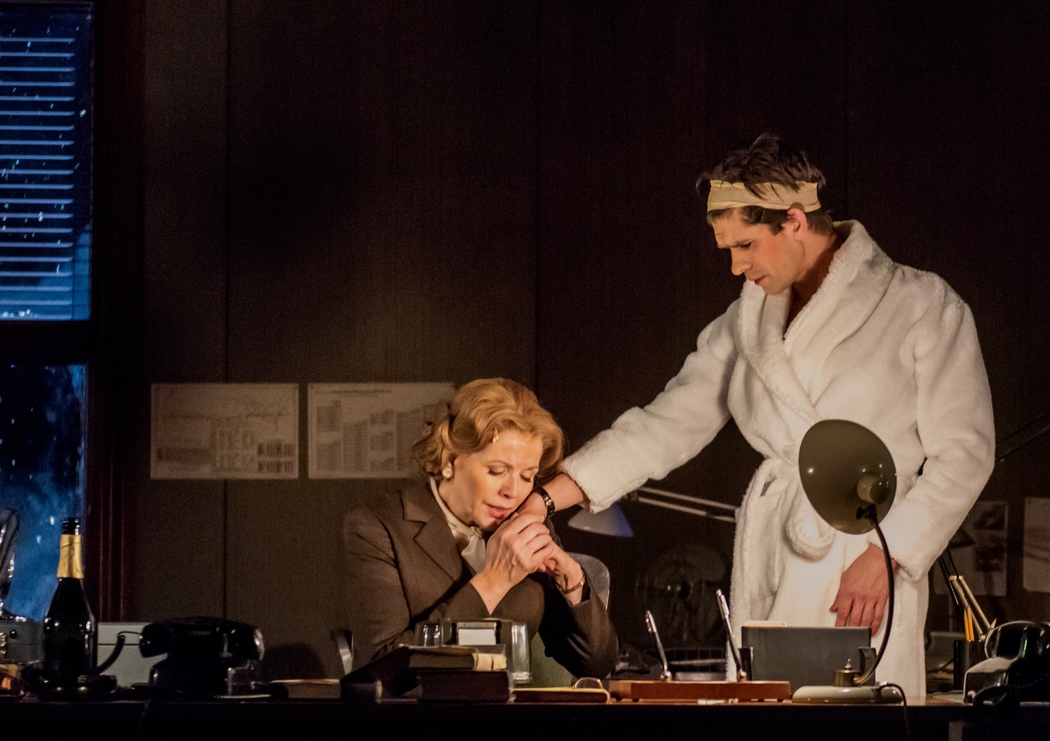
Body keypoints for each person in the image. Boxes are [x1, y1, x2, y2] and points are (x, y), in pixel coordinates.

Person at [519, 134, 994, 698]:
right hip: (772, 548)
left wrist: (888, 556)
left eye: (745, 244)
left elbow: (965, 454)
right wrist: (546, 498)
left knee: (861, 739)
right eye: (726, 249)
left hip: (868, 556)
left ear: (794, 220)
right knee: (767, 738)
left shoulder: (923, 306)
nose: (735, 266)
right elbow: (664, 425)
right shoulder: (742, 326)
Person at [343, 379, 618, 677]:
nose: (513, 491)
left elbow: (595, 665)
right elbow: (379, 670)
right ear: (450, 459)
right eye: (497, 471)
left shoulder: (527, 524)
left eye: (527, 476)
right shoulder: (378, 527)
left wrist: (572, 579)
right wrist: (493, 582)